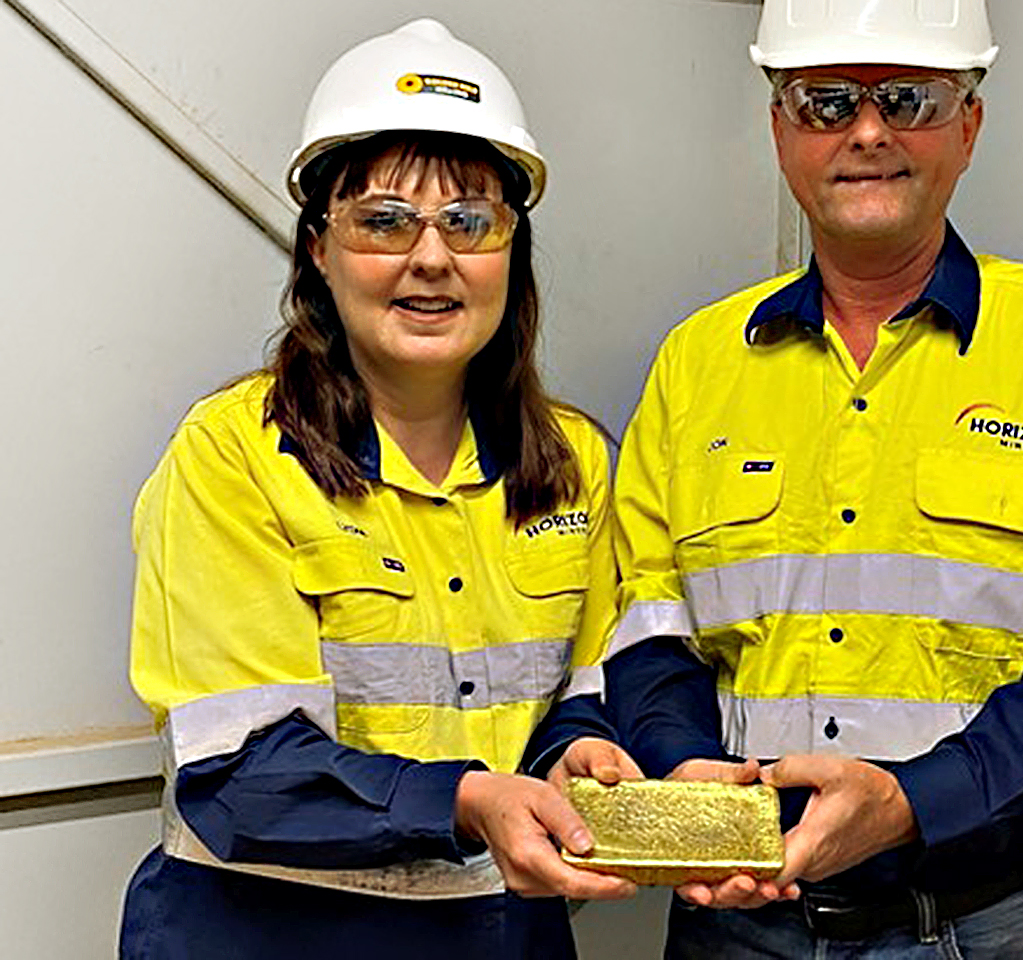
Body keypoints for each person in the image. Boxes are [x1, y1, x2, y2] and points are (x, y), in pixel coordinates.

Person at [602, 1, 1023, 957]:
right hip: (737, 929)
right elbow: (645, 627)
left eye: (908, 99)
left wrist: (910, 804)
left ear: (968, 126)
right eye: (825, 103)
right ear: (779, 130)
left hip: (986, 926)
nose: (867, 132)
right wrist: (688, 777)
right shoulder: (697, 365)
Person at [118, 19, 640, 960]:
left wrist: (578, 753)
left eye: (469, 221)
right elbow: (241, 774)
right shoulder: (233, 458)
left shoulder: (573, 462)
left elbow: (580, 692)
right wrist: (470, 800)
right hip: (267, 939)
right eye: (384, 221)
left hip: (500, 937)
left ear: (512, 250)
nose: (431, 258)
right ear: (319, 249)